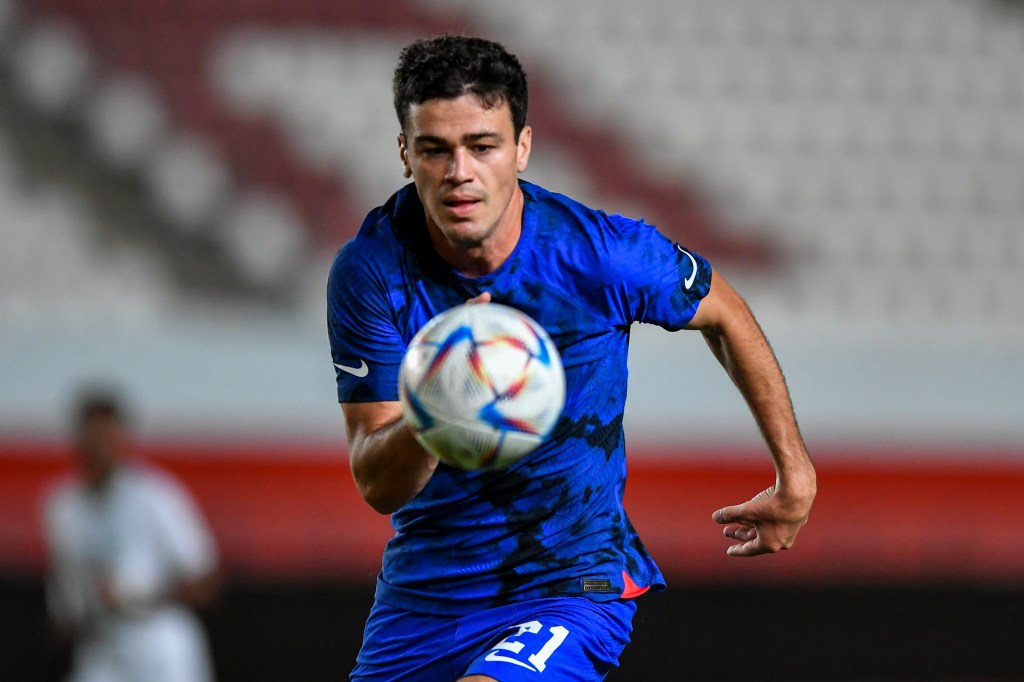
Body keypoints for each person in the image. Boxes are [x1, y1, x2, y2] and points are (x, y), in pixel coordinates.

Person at [327, 35, 816, 681]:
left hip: (567, 585)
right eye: (435, 149)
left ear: (522, 148)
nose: (458, 173)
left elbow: (724, 312)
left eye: (482, 146)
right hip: (425, 598)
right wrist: (437, 409)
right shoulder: (370, 273)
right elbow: (377, 485)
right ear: (404, 154)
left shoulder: (598, 253)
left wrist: (795, 472)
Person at [42, 390, 220, 682]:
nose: (100, 447)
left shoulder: (155, 495)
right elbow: (65, 589)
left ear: (122, 439)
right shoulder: (62, 505)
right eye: (93, 437)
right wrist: (69, 615)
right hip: (102, 645)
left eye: (107, 437)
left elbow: (207, 579)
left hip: (159, 643)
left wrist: (137, 596)